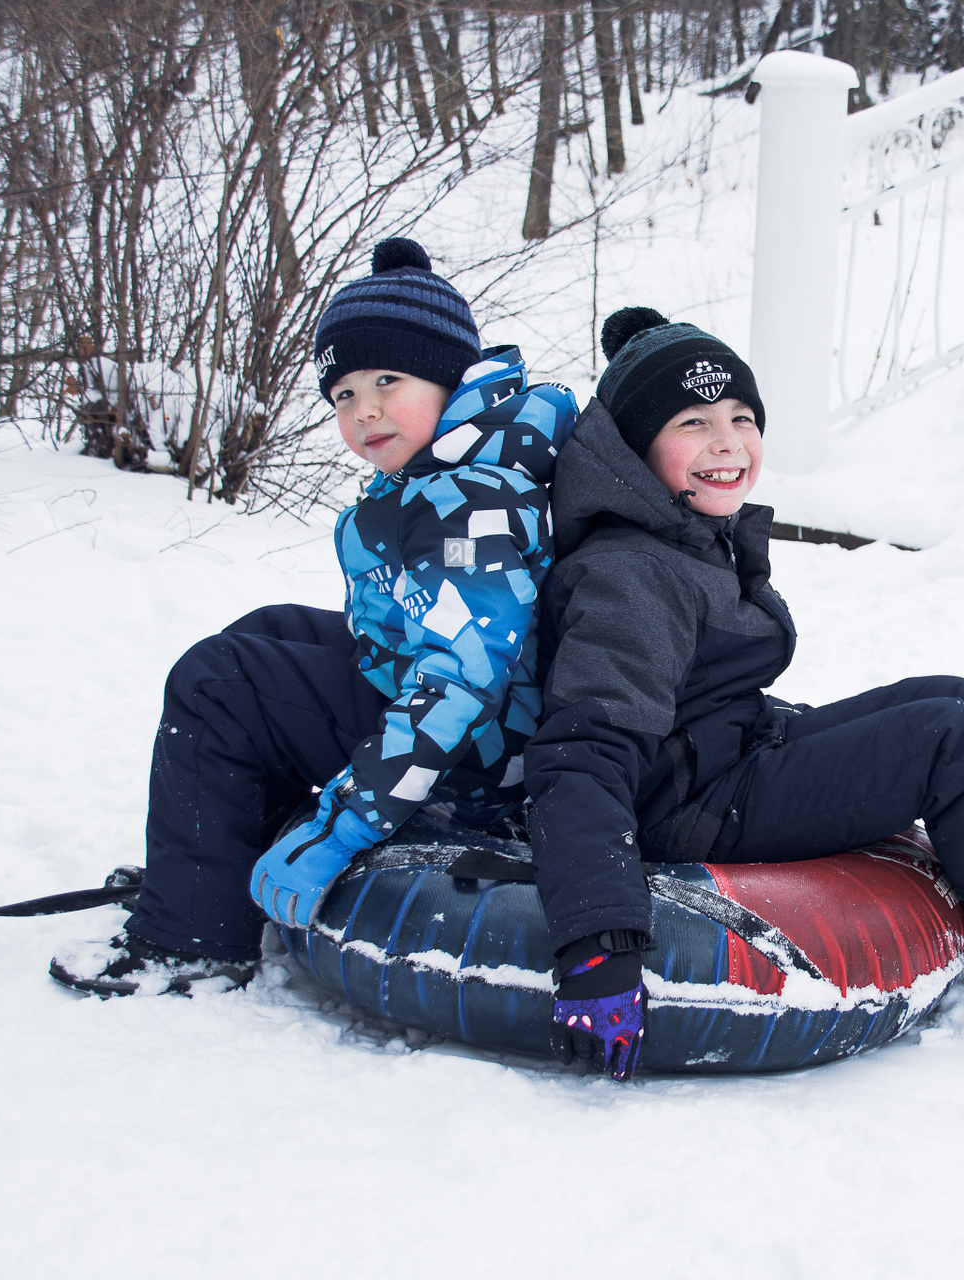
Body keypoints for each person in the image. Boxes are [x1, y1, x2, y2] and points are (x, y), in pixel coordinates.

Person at [529, 307, 964, 1081]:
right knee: (947, 740)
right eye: (693, 423)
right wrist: (598, 946)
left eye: (741, 417)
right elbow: (585, 753)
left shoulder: (679, 533)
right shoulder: (628, 573)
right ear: (635, 447)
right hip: (690, 807)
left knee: (959, 698)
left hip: (726, 754)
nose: (728, 443)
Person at [50, 239, 578, 996]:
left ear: (449, 375)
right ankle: (211, 867)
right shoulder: (450, 470)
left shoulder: (469, 499)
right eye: (343, 394)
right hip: (481, 721)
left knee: (219, 682)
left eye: (388, 381)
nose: (365, 411)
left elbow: (461, 684)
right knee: (268, 631)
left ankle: (190, 940)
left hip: (483, 761)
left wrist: (343, 830)